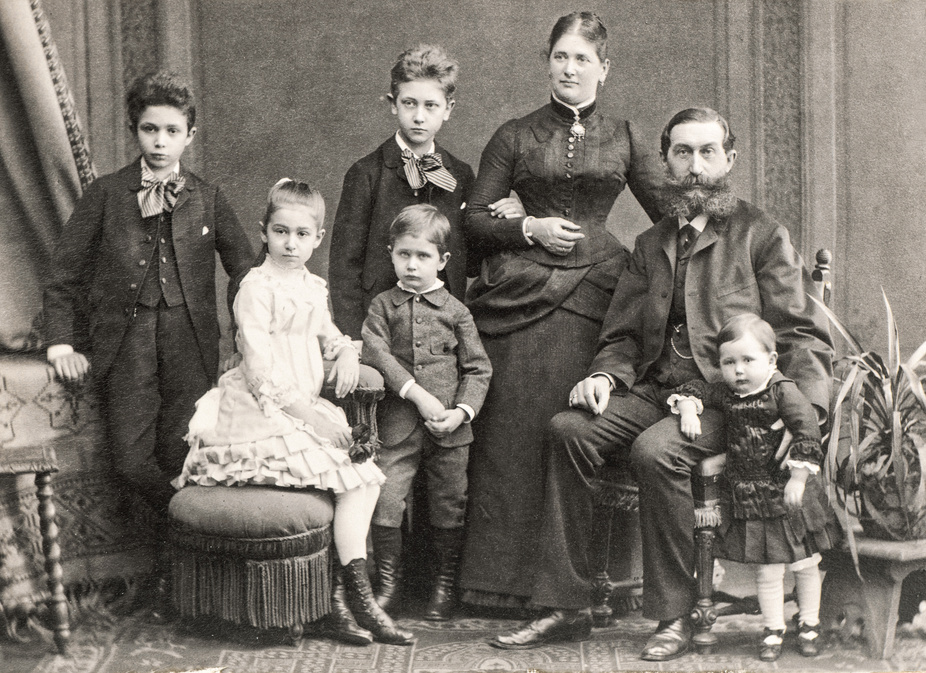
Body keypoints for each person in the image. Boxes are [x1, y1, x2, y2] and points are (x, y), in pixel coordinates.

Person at [490, 107, 833, 658]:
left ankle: (671, 615)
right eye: (682, 153)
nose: (694, 166)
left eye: (706, 153)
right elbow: (622, 334)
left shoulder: (761, 234)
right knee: (568, 429)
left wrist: (806, 417)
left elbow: (799, 333)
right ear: (667, 162)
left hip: (730, 399)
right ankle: (567, 604)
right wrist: (605, 374)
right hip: (653, 387)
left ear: (728, 160)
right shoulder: (651, 244)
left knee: (656, 453)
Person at [459, 11, 663, 611]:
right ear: (548, 62)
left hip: (596, 299)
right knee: (512, 437)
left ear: (604, 68)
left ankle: (577, 587)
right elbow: (472, 221)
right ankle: (498, 587)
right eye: (560, 57)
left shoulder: (624, 134)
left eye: (581, 59)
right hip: (518, 300)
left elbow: (670, 217)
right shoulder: (515, 134)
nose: (568, 69)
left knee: (570, 431)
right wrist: (528, 226)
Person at [173, 179, 414, 646]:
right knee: (358, 476)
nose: (290, 244)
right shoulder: (255, 288)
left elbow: (330, 335)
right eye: (281, 232)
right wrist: (313, 416)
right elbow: (260, 372)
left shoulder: (310, 286)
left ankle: (350, 600)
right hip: (260, 408)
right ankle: (349, 604)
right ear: (264, 232)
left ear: (318, 239)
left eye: (302, 235)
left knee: (366, 479)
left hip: (300, 407)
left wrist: (346, 354)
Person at [43, 71, 254, 521]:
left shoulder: (208, 198)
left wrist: (242, 341)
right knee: (130, 460)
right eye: (150, 129)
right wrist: (62, 343)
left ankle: (170, 568)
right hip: (124, 344)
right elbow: (64, 273)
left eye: (172, 131)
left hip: (190, 345)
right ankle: (188, 522)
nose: (160, 141)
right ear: (134, 130)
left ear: (190, 136)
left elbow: (247, 274)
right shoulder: (106, 194)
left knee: (181, 454)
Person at [670, 313, 835, 661]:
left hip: (790, 494)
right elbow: (699, 389)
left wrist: (799, 478)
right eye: (729, 362)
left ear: (771, 360)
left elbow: (807, 430)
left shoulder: (783, 392)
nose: (738, 371)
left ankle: (809, 623)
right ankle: (773, 629)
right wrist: (687, 406)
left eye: (748, 360)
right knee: (768, 568)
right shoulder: (729, 393)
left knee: (805, 563)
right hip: (752, 495)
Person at [329, 44, 521, 340]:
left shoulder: (460, 174)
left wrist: (504, 218)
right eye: (409, 103)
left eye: (430, 105)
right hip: (381, 322)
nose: (419, 116)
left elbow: (470, 261)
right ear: (394, 104)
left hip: (443, 322)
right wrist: (353, 338)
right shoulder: (366, 173)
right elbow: (344, 267)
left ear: (448, 109)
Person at [361, 204, 492, 621]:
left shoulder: (456, 311)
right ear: (391, 254)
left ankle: (443, 587)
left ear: (443, 260)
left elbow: (478, 367)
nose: (412, 265)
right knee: (385, 500)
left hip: (449, 430)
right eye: (403, 255)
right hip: (397, 425)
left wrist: (463, 412)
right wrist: (416, 393)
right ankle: (388, 585)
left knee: (448, 504)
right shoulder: (383, 306)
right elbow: (374, 351)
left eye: (423, 256)